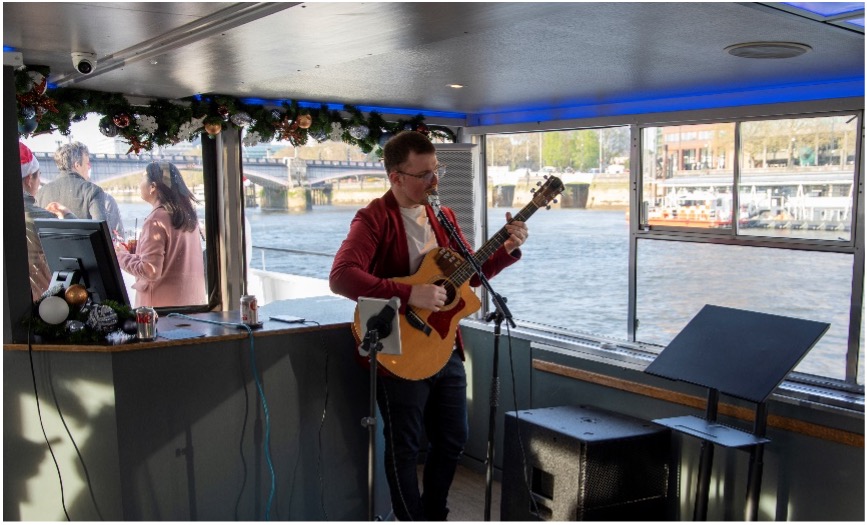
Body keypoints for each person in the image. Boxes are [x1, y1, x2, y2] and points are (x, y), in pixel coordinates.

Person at [329, 131, 528, 521]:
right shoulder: (373, 219)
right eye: (424, 175)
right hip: (397, 348)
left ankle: (434, 513)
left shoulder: (444, 216)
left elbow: (469, 276)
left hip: (444, 344)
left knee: (453, 437)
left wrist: (505, 251)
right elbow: (342, 277)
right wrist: (408, 295)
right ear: (396, 177)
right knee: (405, 446)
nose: (435, 182)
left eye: (437, 171)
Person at [115, 161, 205, 307]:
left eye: (143, 177)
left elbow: (150, 271)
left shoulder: (156, 220)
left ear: (153, 187)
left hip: (160, 310)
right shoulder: (187, 215)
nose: (139, 182)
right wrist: (139, 251)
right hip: (191, 305)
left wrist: (120, 256)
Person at [19, 142, 75, 300]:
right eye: (39, 175)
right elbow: (75, 253)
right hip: (42, 305)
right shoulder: (43, 219)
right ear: (29, 179)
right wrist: (67, 215)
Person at [36, 141, 123, 234]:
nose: (89, 167)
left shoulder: (41, 193)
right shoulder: (93, 191)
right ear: (77, 165)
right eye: (87, 163)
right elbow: (102, 234)